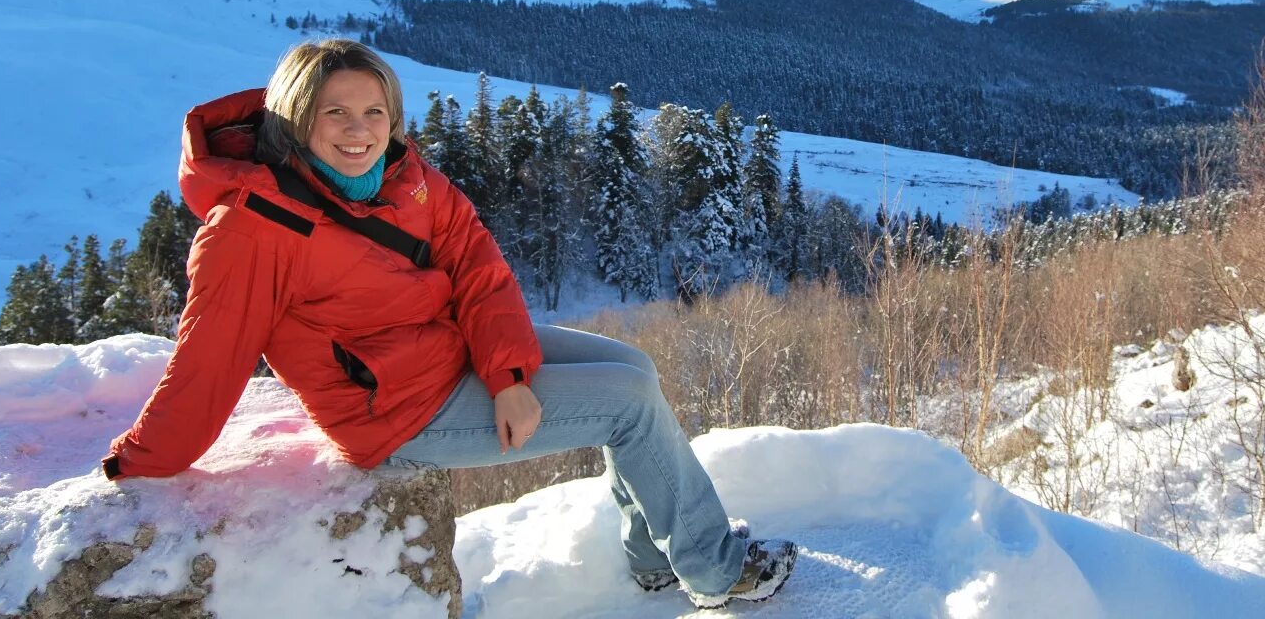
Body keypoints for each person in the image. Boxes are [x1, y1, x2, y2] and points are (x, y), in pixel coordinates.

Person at [103, 39, 797, 608]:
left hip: (449, 354)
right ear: (292, 119)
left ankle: (653, 559)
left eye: (375, 111)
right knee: (631, 407)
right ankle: (713, 570)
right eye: (335, 113)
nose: (359, 131)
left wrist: (508, 373)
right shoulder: (251, 229)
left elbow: (477, 267)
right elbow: (208, 360)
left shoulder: (406, 178)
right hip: (395, 412)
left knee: (635, 369)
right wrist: (139, 461)